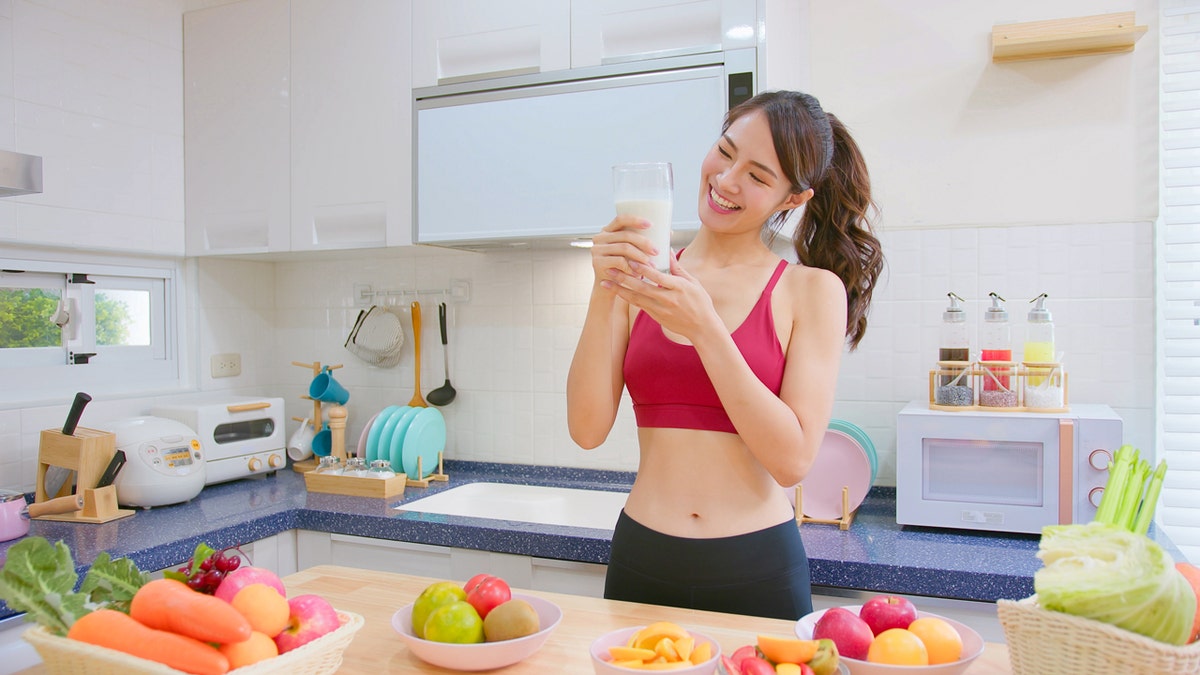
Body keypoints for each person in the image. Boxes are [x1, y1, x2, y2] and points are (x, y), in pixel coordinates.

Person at [566, 90, 884, 621]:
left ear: (793, 199)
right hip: (642, 555)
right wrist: (608, 285)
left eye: (758, 176)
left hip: (756, 565)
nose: (727, 179)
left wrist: (707, 330)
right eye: (725, 151)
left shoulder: (810, 290)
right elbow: (586, 429)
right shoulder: (646, 277)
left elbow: (792, 461)